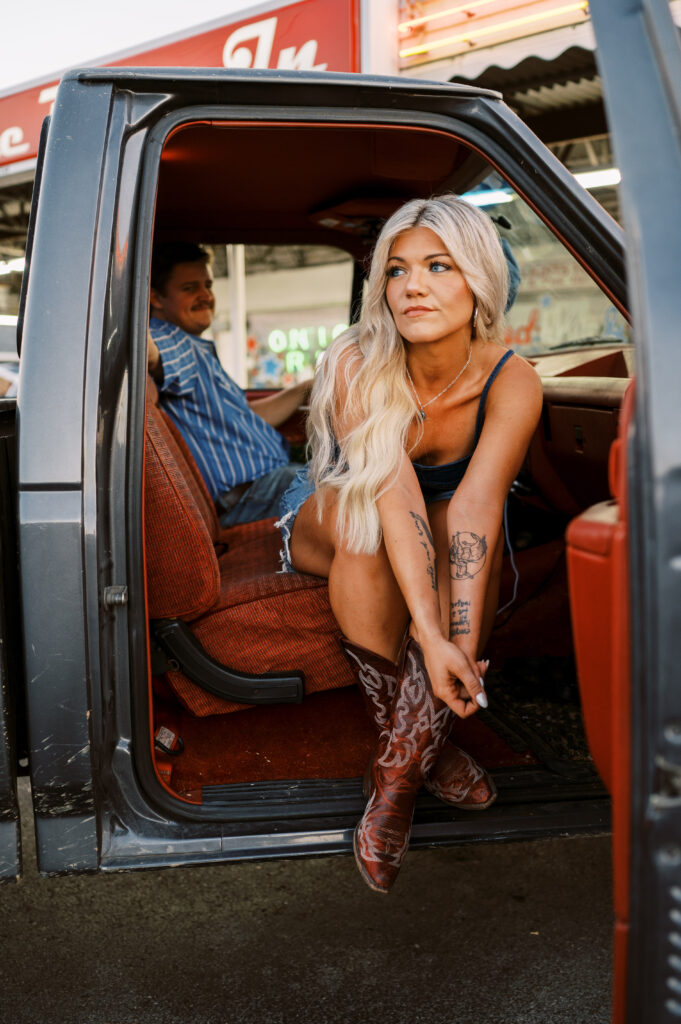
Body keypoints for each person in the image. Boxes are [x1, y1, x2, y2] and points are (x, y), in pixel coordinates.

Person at [275, 195, 542, 893]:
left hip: (440, 521)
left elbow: (480, 510)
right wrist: (430, 637)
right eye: (396, 270)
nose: (412, 285)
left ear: (478, 278)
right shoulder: (356, 361)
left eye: (437, 266)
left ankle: (399, 765)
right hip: (330, 522)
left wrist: (458, 636)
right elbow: (392, 496)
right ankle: (415, 765)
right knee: (364, 521)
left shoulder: (510, 378)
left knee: (456, 517)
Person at [147, 242, 311, 526]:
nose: (205, 296)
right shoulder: (171, 339)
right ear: (156, 299)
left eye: (207, 285)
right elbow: (151, 354)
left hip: (262, 488)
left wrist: (308, 387)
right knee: (358, 490)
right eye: (189, 288)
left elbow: (247, 418)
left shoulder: (195, 347)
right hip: (252, 497)